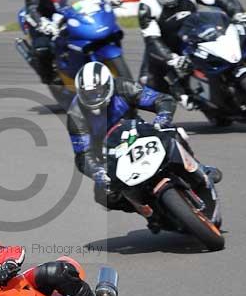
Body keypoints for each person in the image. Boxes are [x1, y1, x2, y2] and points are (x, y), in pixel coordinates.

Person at [67, 62, 221, 211]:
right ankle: (147, 210)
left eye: (98, 91)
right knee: (105, 196)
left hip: (139, 134)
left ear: (109, 85)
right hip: (109, 153)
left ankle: (199, 168)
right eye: (88, 94)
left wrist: (163, 118)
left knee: (174, 134)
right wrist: (97, 171)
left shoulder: (123, 87)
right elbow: (83, 155)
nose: (94, 97)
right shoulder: (76, 115)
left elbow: (161, 99)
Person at [138, 0, 246, 105]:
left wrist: (238, 13)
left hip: (193, 35)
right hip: (166, 46)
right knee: (148, 88)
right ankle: (182, 95)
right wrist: (172, 59)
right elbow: (152, 40)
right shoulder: (146, 5)